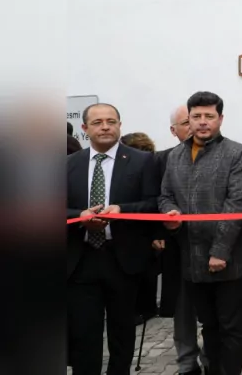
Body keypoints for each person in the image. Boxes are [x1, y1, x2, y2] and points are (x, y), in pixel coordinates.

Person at [160, 91, 242, 375]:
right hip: (192, 259)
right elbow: (164, 195)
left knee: (230, 328)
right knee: (209, 326)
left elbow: (236, 205)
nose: (203, 123)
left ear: (220, 119)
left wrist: (219, 251)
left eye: (209, 117)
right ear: (188, 119)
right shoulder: (175, 156)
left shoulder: (237, 154)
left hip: (230, 260)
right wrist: (170, 213)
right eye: (196, 117)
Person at [66, 103, 160, 375]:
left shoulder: (143, 161)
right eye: (97, 122)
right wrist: (80, 215)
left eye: (111, 121)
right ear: (85, 129)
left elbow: (154, 204)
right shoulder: (68, 164)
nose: (105, 126)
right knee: (84, 334)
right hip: (81, 260)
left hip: (123, 259)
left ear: (120, 125)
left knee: (122, 332)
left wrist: (123, 210)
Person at [156, 105, 208, 375]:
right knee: (183, 310)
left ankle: (212, 357)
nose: (194, 126)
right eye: (186, 122)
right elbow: (157, 199)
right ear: (173, 130)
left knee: (212, 311)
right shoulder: (163, 159)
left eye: (196, 120)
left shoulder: (220, 155)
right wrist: (160, 234)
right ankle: (187, 363)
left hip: (211, 247)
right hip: (177, 247)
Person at [119, 132, 161, 325]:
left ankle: (143, 309)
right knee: (148, 271)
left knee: (144, 272)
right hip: (144, 228)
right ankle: (148, 307)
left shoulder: (146, 166)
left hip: (143, 226)